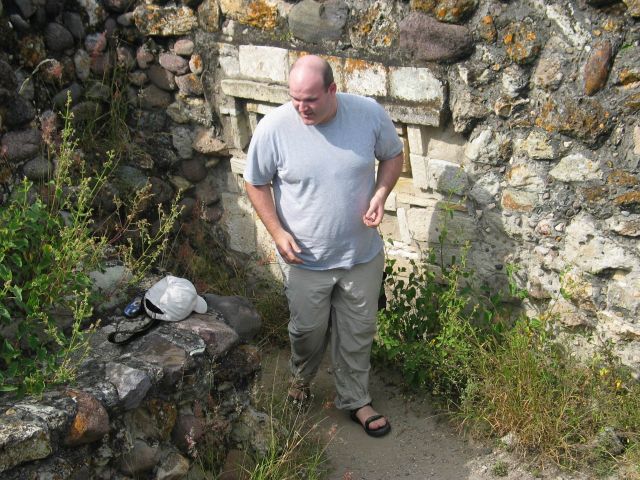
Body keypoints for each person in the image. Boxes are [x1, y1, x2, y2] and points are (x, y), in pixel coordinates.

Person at [243, 55, 404, 437]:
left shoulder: (367, 114)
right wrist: (277, 232)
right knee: (307, 332)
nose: (302, 107)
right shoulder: (274, 127)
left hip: (360, 255)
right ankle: (301, 379)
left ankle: (356, 400)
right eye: (295, 98)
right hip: (304, 260)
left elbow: (393, 156)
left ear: (332, 89)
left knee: (358, 331)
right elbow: (255, 182)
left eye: (311, 99)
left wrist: (381, 194)